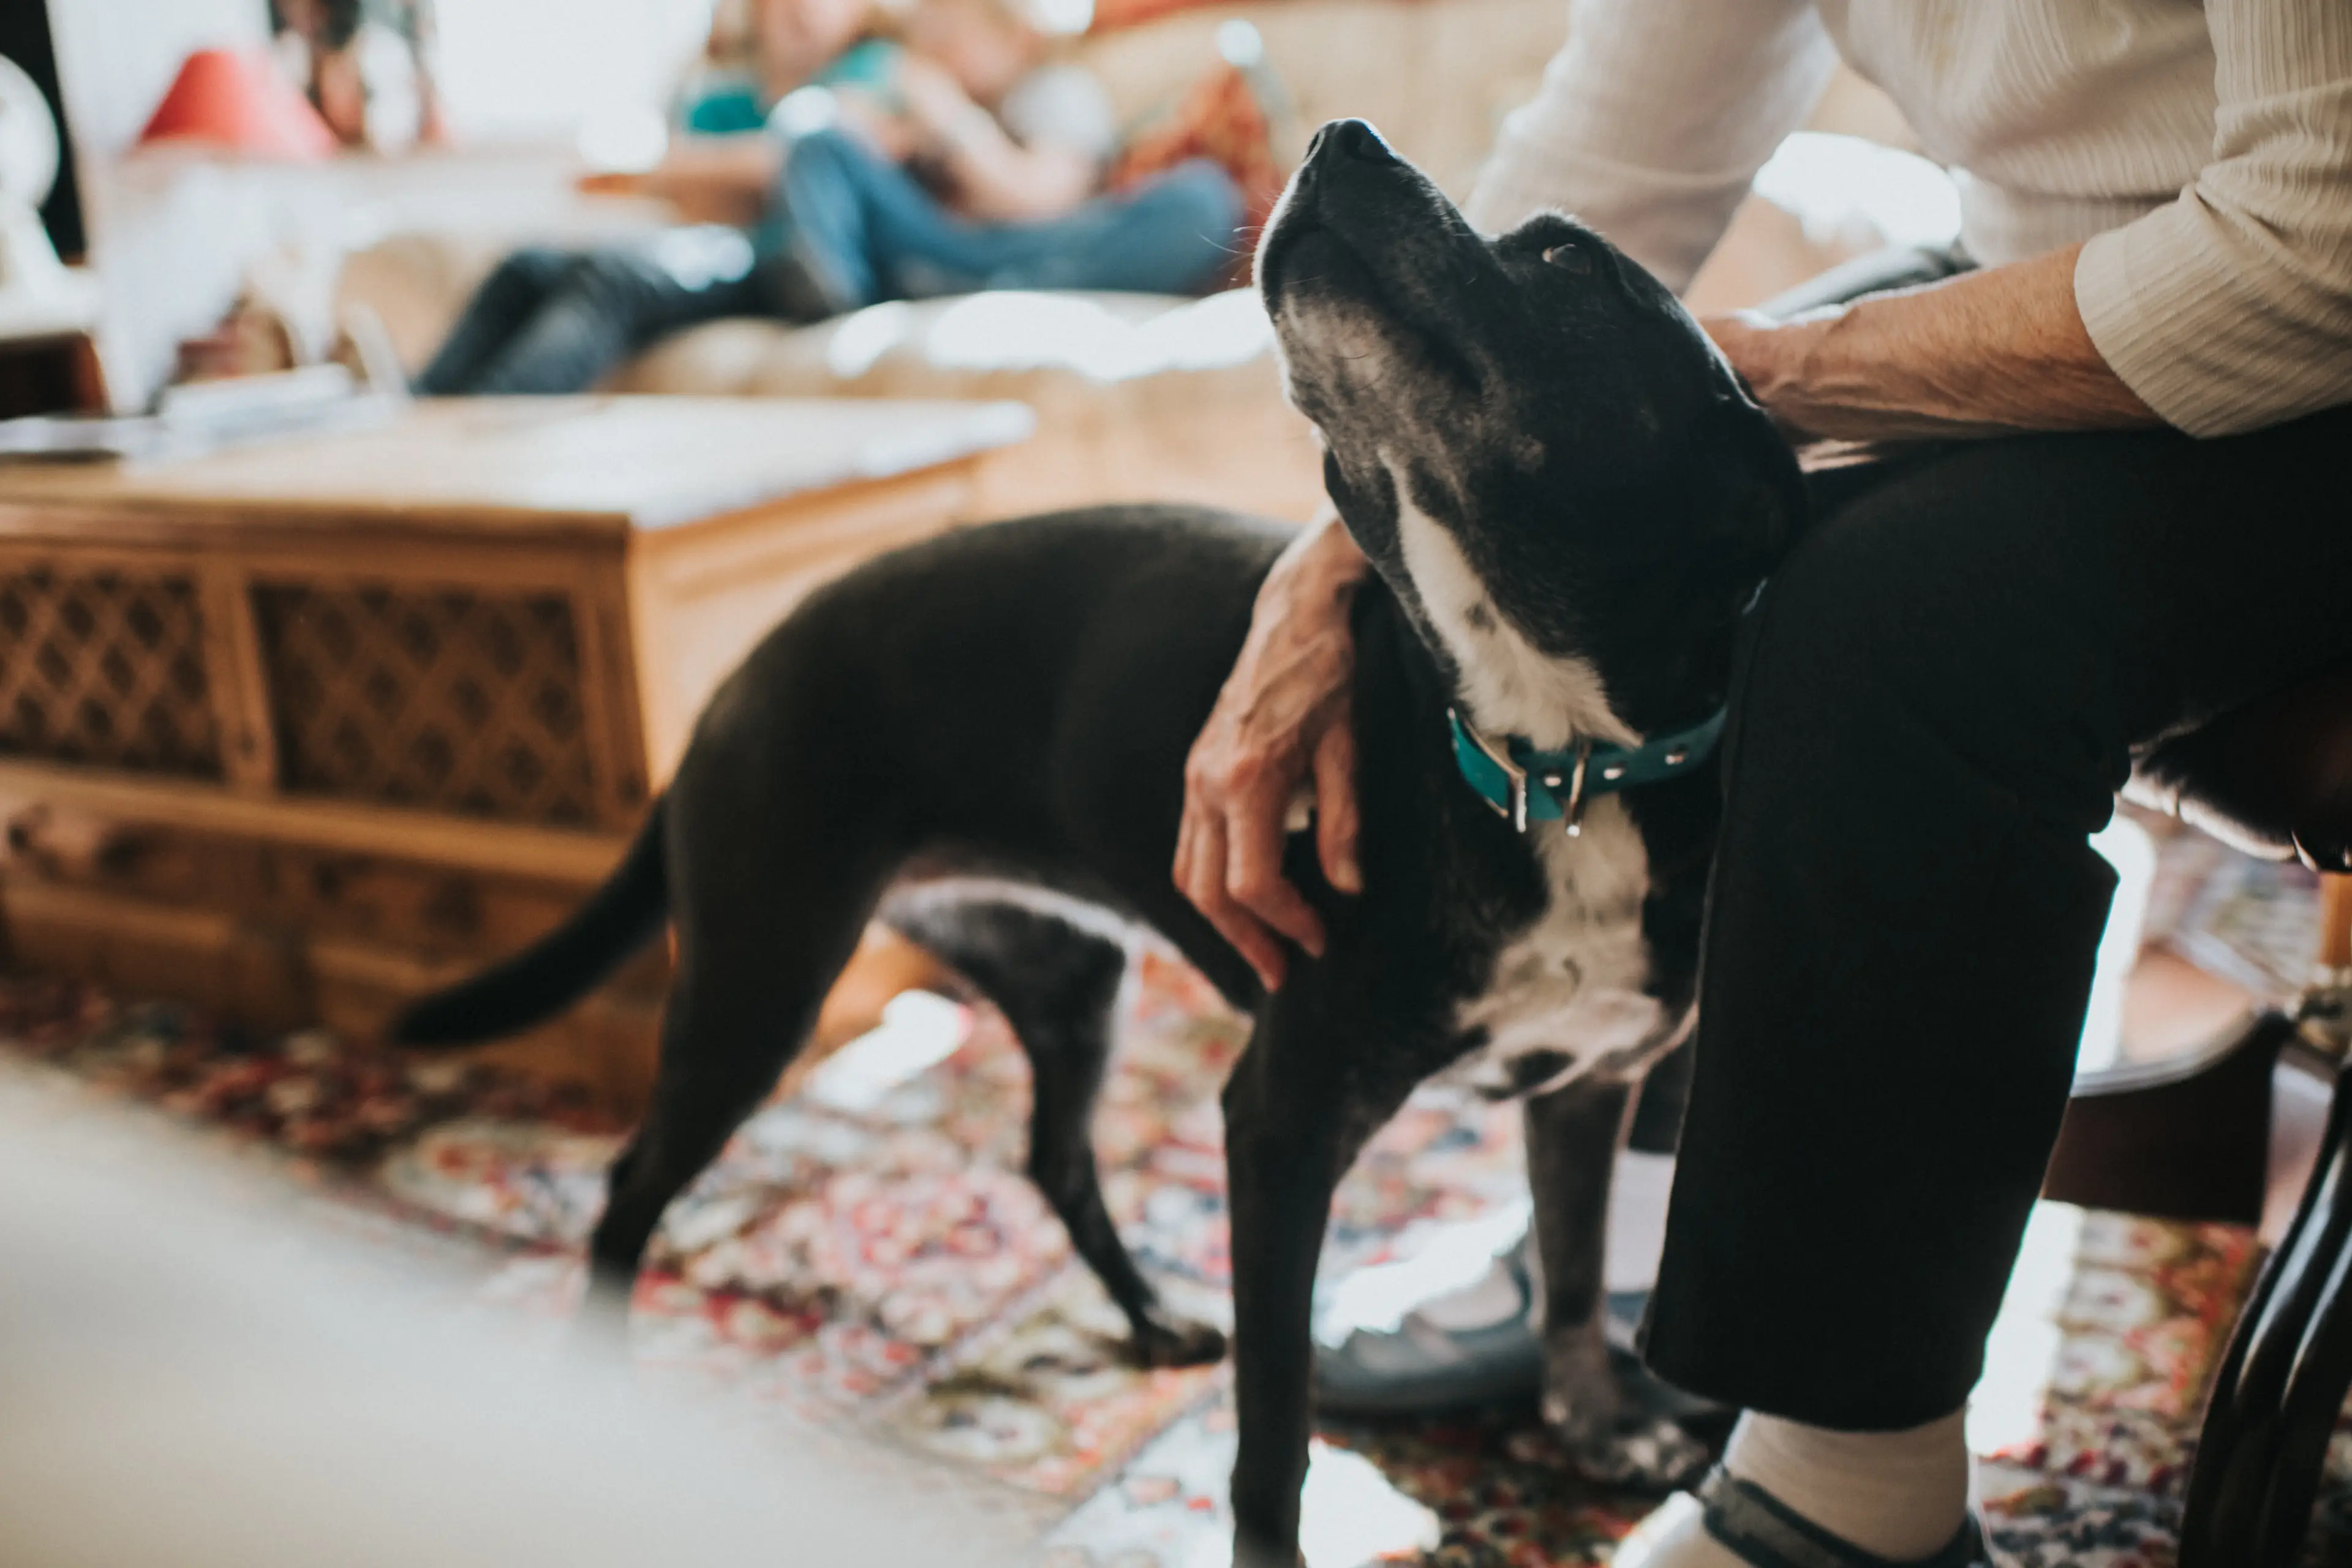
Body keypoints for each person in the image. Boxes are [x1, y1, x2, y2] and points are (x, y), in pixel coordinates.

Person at [1175, 2, 2352, 1562]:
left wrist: (1783, 376)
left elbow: (2314, 245)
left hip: (2317, 319)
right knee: (1647, 509)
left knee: (1892, 609)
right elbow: (1613, 166)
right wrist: (1336, 557)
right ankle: (1631, 1235)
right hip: (2052, 261)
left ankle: (1844, 1496)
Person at [414, 0, 1241, 397]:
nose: (940, 41)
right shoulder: (887, 93)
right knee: (538, 263)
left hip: (989, 250)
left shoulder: (1048, 92)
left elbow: (1034, 197)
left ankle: (475, 435)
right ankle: (415, 417)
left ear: (1016, 32)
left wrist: (940, 124)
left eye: (961, 27)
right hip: (883, 252)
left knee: (1200, 201)